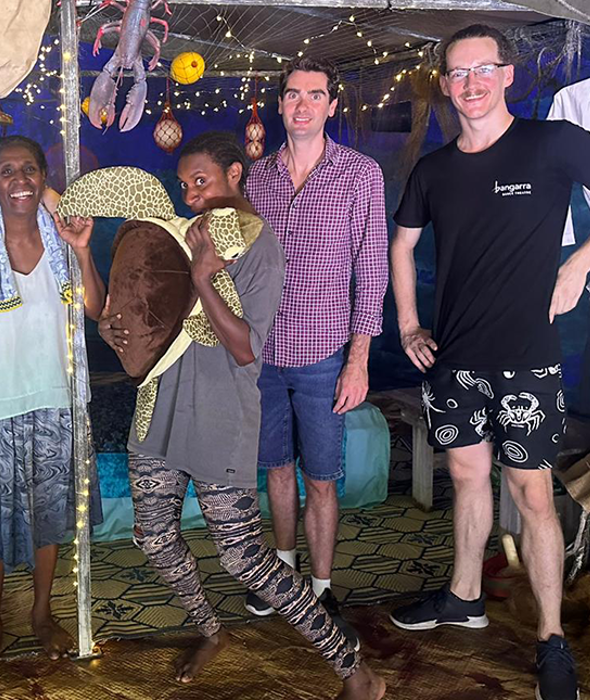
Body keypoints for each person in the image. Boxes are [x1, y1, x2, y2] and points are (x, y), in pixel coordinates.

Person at [389, 24, 590, 700]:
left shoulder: (550, 144)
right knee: (467, 475)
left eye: (482, 69)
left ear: (507, 75)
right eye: (457, 73)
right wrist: (409, 323)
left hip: (527, 359)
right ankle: (463, 594)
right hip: (455, 357)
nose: (470, 83)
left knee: (531, 492)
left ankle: (551, 639)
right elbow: (400, 247)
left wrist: (579, 265)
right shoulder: (435, 169)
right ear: (445, 85)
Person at [101, 131, 385, 699]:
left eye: (201, 182)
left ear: (236, 173)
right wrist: (116, 330)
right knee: (153, 536)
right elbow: (148, 319)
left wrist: (206, 275)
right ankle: (211, 630)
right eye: (184, 186)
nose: (192, 196)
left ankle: (355, 669)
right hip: (158, 407)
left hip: (220, 416)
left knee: (244, 558)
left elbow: (246, 348)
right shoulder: (185, 235)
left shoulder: (260, 246)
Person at [0, 135, 105, 678]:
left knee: (48, 517)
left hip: (55, 399)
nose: (20, 181)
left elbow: (96, 307)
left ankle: (40, 612)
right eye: (7, 172)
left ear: (45, 178)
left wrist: (82, 248)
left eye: (30, 170)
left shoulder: (63, 239)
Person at [243, 56, 388, 625]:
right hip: (263, 355)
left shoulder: (360, 175)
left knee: (321, 478)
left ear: (331, 106)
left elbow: (370, 272)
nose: (302, 104)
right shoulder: (257, 178)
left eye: (314, 95)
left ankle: (322, 587)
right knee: (276, 468)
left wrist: (359, 362)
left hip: (325, 354)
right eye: (293, 95)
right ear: (281, 105)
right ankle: (281, 576)